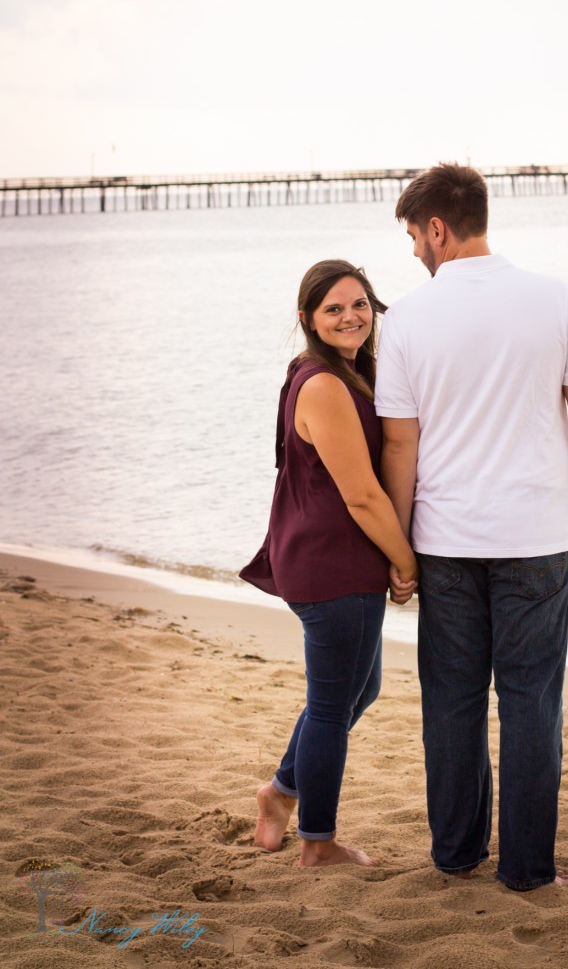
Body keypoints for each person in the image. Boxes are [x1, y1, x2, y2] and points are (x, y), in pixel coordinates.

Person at [374, 163, 568, 891]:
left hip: (445, 542)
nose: (416, 250)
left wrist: (399, 545)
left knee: (452, 699)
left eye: (415, 236)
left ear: (438, 228)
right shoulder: (554, 298)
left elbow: (399, 445)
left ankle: (454, 853)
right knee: (530, 700)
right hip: (536, 538)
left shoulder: (410, 318)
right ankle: (528, 870)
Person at [240, 259, 418, 868]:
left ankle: (281, 791)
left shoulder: (336, 372)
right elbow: (362, 494)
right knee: (332, 703)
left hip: (322, 557)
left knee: (354, 691)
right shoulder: (323, 384)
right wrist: (406, 561)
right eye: (334, 308)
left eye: (360, 304)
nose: (351, 317)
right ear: (308, 319)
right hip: (333, 563)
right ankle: (317, 842)